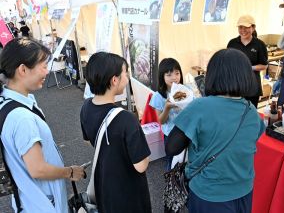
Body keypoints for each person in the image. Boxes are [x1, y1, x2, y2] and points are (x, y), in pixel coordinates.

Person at [166, 48, 265, 213]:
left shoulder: (200, 107)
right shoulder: (252, 112)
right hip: (244, 189)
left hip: (209, 194)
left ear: (212, 75)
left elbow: (171, 147)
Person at [0, 38, 85, 213]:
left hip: (28, 198)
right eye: (43, 66)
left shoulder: (9, 100)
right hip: (42, 204)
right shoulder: (22, 118)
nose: (47, 72)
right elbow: (37, 169)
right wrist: (70, 172)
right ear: (23, 70)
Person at [80, 52, 152, 213]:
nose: (126, 78)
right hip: (128, 193)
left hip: (104, 185)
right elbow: (141, 165)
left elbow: (88, 141)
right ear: (114, 80)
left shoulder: (85, 107)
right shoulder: (126, 119)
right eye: (125, 73)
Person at [149, 58, 183, 170]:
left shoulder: (185, 91)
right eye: (169, 75)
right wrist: (167, 108)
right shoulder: (158, 96)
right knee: (171, 159)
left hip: (185, 130)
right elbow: (161, 121)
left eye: (177, 73)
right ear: (162, 77)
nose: (174, 77)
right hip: (170, 133)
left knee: (184, 158)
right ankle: (170, 181)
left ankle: (182, 181)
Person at [227, 15, 268, 108]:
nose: (243, 30)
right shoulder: (232, 43)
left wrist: (249, 67)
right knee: (236, 112)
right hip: (236, 85)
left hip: (252, 85)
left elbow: (264, 66)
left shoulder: (259, 44)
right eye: (240, 27)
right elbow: (228, 62)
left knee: (251, 112)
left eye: (246, 27)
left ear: (253, 28)